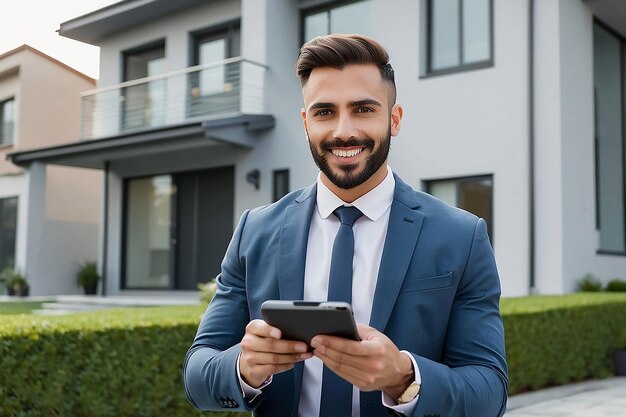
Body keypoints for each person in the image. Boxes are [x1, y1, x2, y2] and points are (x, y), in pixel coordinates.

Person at [183, 34, 508, 417]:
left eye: (363, 109)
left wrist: (404, 377)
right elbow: (197, 374)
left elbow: (490, 392)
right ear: (305, 123)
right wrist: (242, 367)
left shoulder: (461, 236)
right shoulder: (256, 230)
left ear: (394, 119)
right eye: (324, 112)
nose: (343, 131)